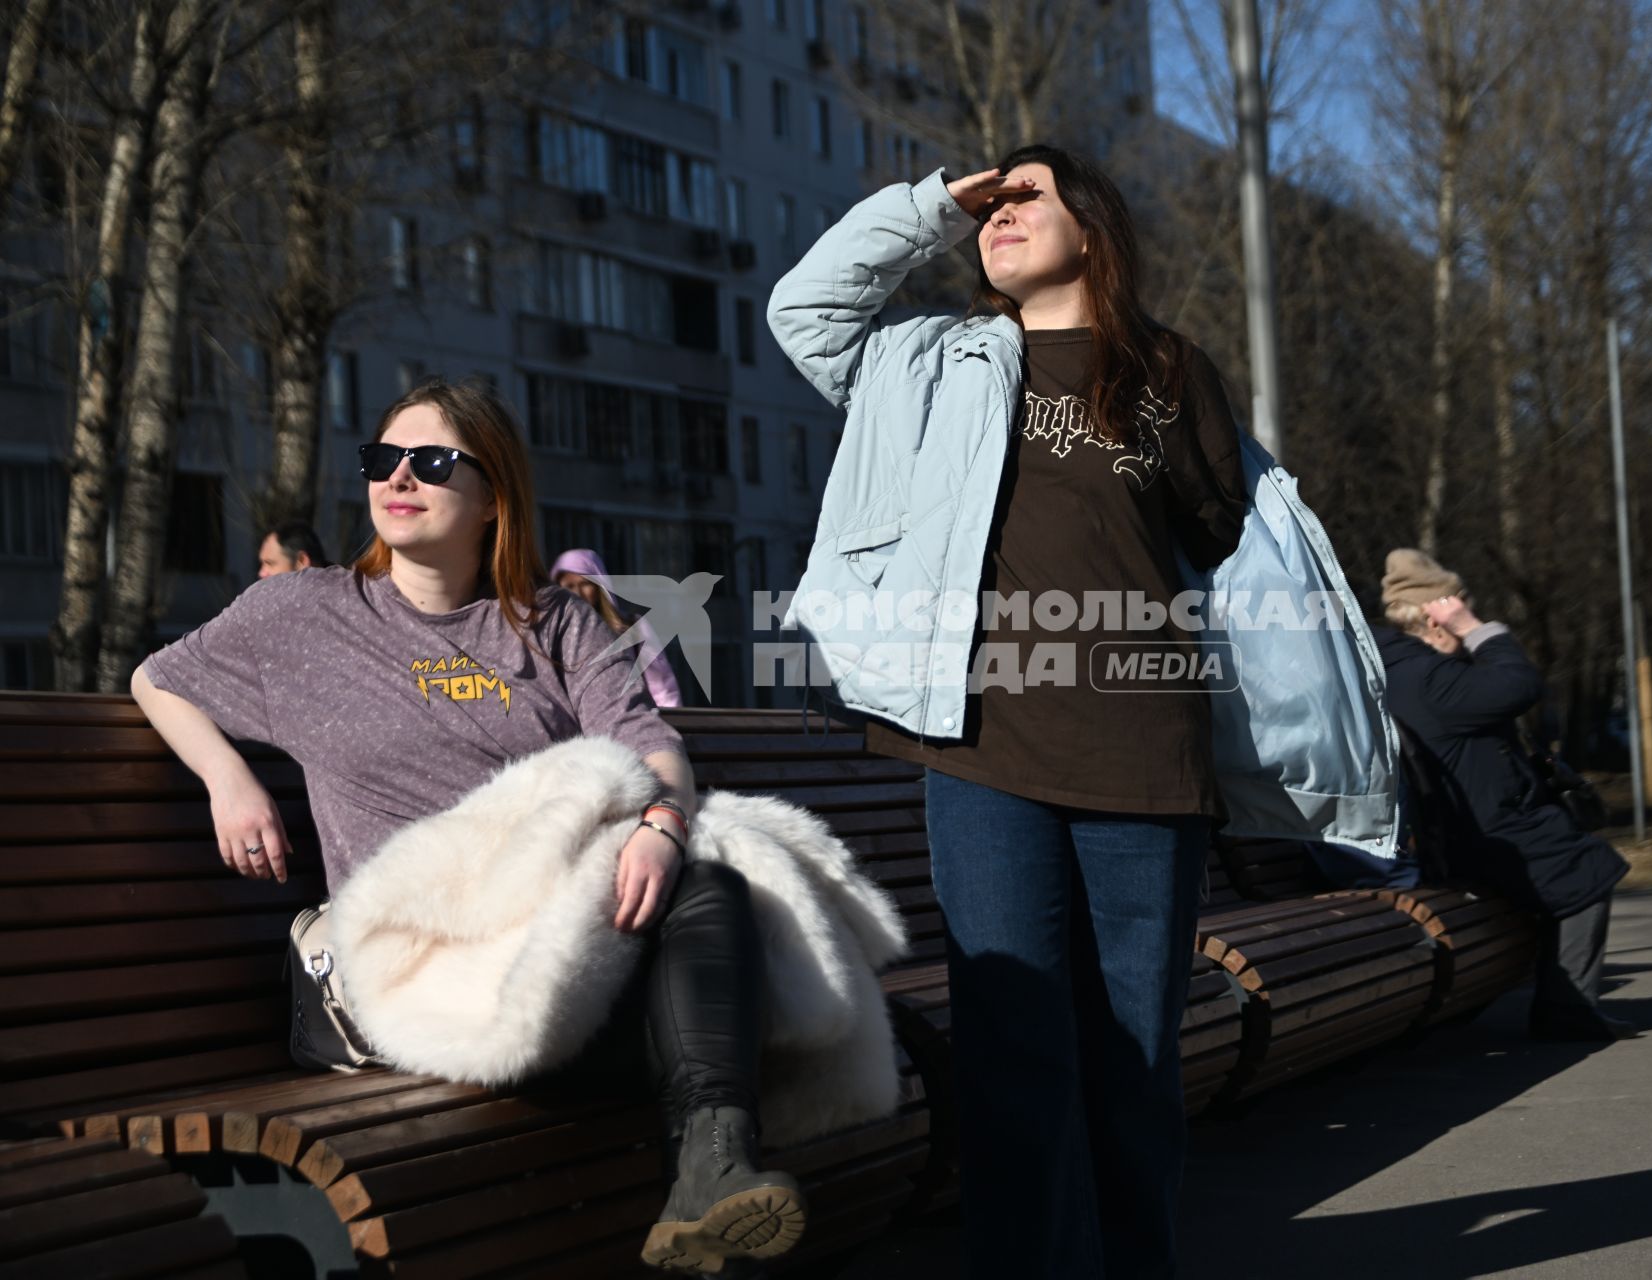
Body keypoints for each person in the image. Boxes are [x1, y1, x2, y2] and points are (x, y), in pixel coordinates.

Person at [129, 379, 803, 1272]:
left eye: (434, 462)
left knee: (707, 883)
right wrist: (228, 778)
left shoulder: (554, 622)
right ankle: (706, 1175)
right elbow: (158, 676)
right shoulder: (302, 613)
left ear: (494, 498)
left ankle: (711, 1176)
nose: (399, 478)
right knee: (716, 1022)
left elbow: (653, 746)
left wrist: (662, 824)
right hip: (423, 959)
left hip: (554, 935)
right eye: (383, 460)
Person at [772, 147, 1249, 1278]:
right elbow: (807, 304)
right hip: (980, 752)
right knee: (1014, 1055)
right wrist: (937, 204)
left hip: (1145, 756)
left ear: (1097, 224)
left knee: (1133, 1063)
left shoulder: (1170, 369)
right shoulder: (924, 362)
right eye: (993, 202)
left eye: (1030, 194)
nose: (1004, 213)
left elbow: (1217, 527)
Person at [1372, 548, 1638, 1043]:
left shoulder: (1406, 667)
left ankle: (1560, 1004)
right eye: (1457, 613)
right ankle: (1568, 1010)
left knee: (1571, 863)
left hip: (1477, 823)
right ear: (1435, 619)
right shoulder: (1427, 677)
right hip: (1483, 833)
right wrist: (1477, 626)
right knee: (1585, 872)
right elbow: (1517, 684)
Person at [549, 547, 683, 708]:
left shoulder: (633, 628)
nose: (578, 593)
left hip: (626, 723)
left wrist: (671, 724)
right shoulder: (549, 635)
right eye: (569, 586)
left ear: (600, 587)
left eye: (585, 584)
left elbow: (662, 687)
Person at [257, 522, 330, 578]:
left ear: (302, 561)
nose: (261, 573)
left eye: (270, 563)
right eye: (262, 564)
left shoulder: (336, 595)